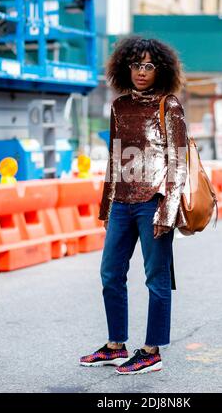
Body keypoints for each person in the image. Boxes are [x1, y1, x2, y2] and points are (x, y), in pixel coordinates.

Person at [80, 36, 188, 375]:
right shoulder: (119, 106)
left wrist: (167, 212)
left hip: (152, 203)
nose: (142, 71)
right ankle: (116, 345)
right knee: (110, 274)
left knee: (156, 279)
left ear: (161, 70)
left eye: (149, 65)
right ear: (126, 67)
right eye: (136, 64)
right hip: (121, 204)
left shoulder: (168, 105)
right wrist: (105, 207)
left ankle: (151, 351)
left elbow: (179, 163)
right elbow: (114, 159)